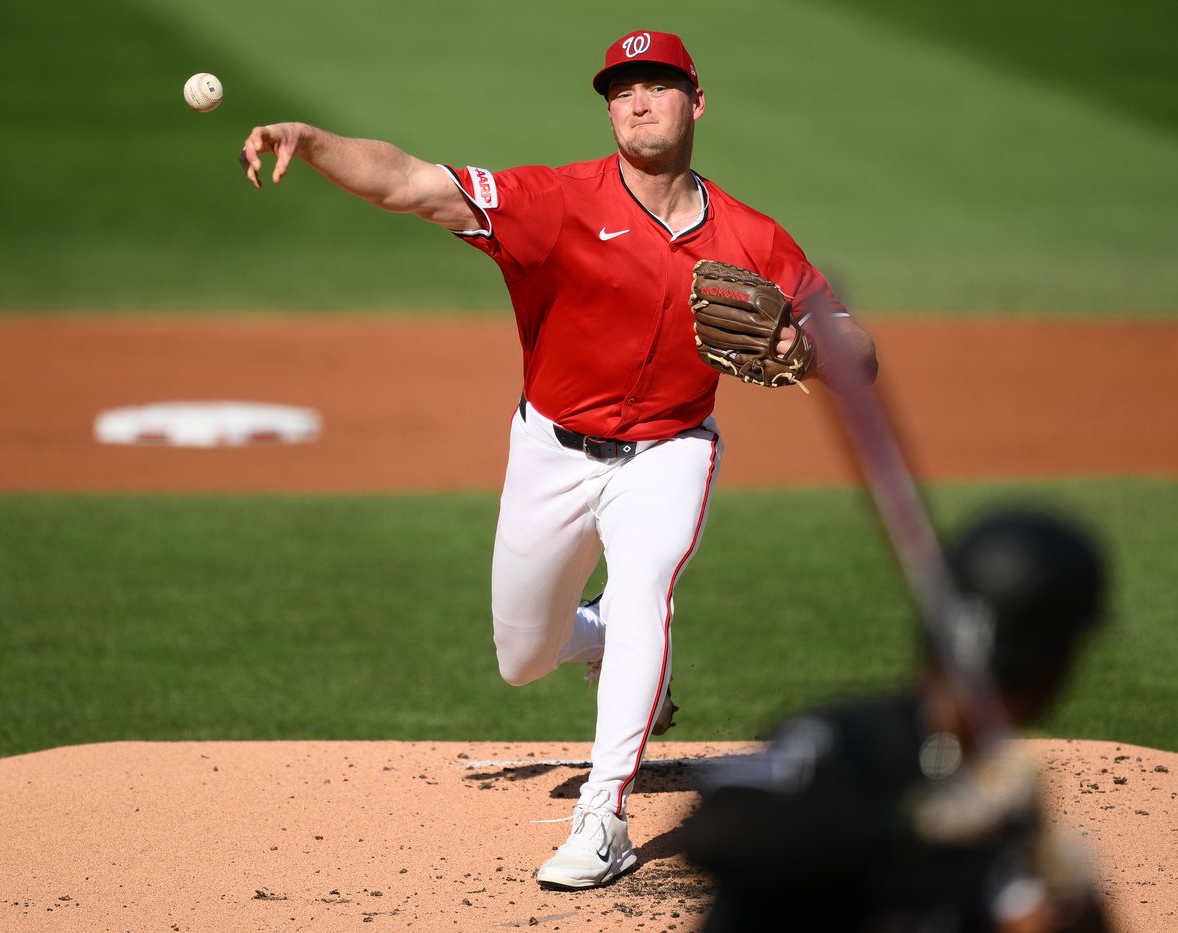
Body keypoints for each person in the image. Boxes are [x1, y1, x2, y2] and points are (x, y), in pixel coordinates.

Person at [239, 30, 878, 890]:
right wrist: (310, 142)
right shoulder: (557, 202)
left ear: (697, 101)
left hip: (670, 449)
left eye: (656, 85)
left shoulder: (754, 236)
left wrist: (810, 348)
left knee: (648, 583)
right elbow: (411, 183)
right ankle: (604, 636)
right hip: (550, 449)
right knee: (523, 656)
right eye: (622, 90)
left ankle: (603, 814)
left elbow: (851, 343)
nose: (638, 101)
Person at [683, 507, 1113, 931]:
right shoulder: (850, 740)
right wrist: (912, 822)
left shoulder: (1000, 803)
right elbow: (716, 830)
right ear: (1048, 663)